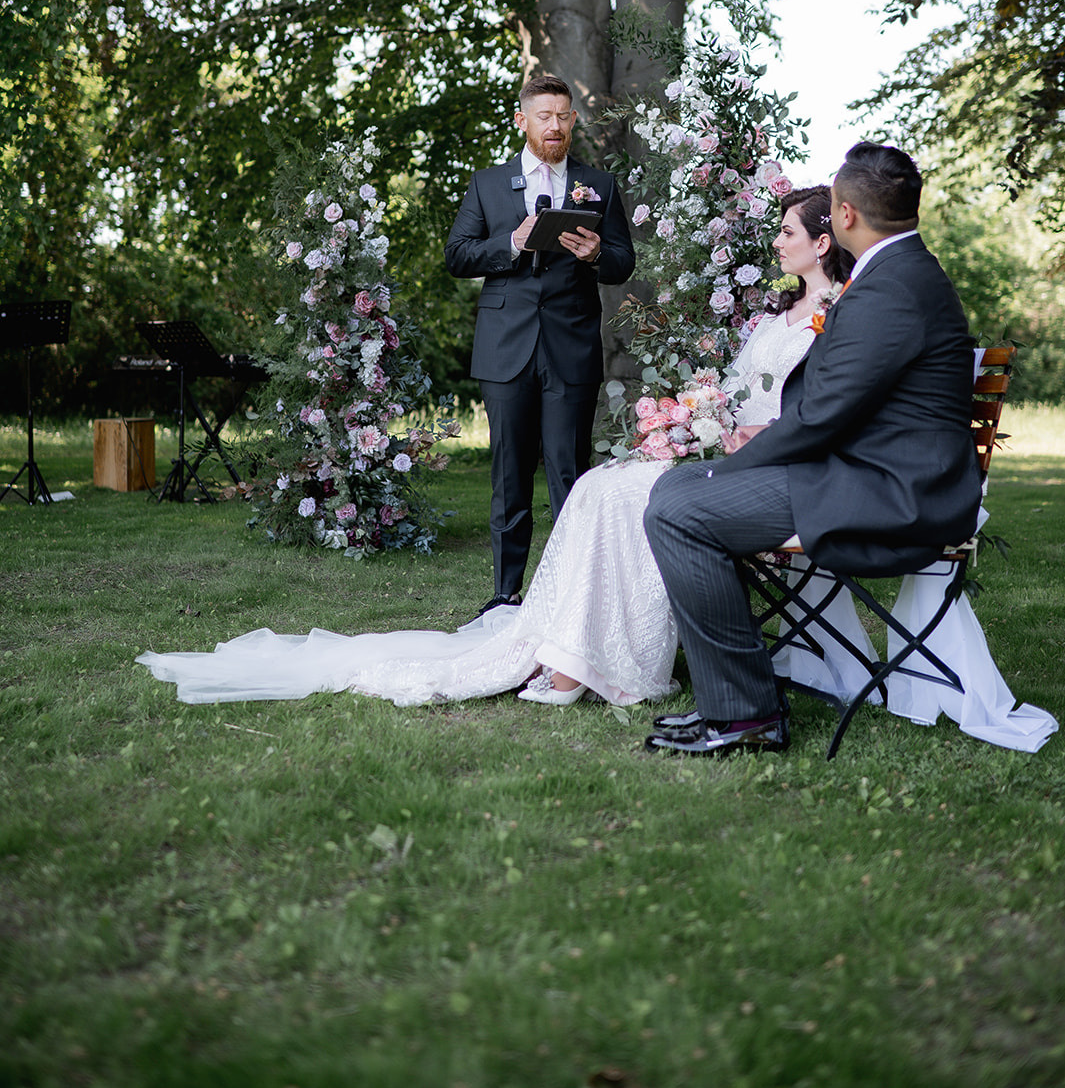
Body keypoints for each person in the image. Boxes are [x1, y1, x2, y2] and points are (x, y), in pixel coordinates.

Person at [135, 188, 848, 709]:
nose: (776, 241)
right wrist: (686, 415)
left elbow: (802, 410)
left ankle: (593, 661)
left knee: (610, 488)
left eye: (786, 231)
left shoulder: (835, 315)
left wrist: (706, 429)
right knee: (601, 483)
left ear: (820, 243)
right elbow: (726, 388)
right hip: (716, 444)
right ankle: (564, 650)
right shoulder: (771, 314)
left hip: (756, 460)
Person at [641, 141, 985, 759]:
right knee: (674, 491)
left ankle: (746, 715)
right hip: (863, 468)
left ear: (845, 216)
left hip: (889, 492)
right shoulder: (898, 273)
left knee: (678, 509)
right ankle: (737, 698)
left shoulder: (890, 288)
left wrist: (729, 467)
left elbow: (822, 418)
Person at [444, 73, 635, 613]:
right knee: (508, 475)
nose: (555, 125)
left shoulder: (599, 184)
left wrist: (596, 252)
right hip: (506, 349)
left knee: (569, 475)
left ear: (574, 120)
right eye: (544, 116)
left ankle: (572, 596)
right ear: (521, 120)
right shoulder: (487, 184)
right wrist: (511, 242)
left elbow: (623, 263)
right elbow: (457, 255)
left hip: (571, 347)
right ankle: (505, 594)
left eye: (564, 115)